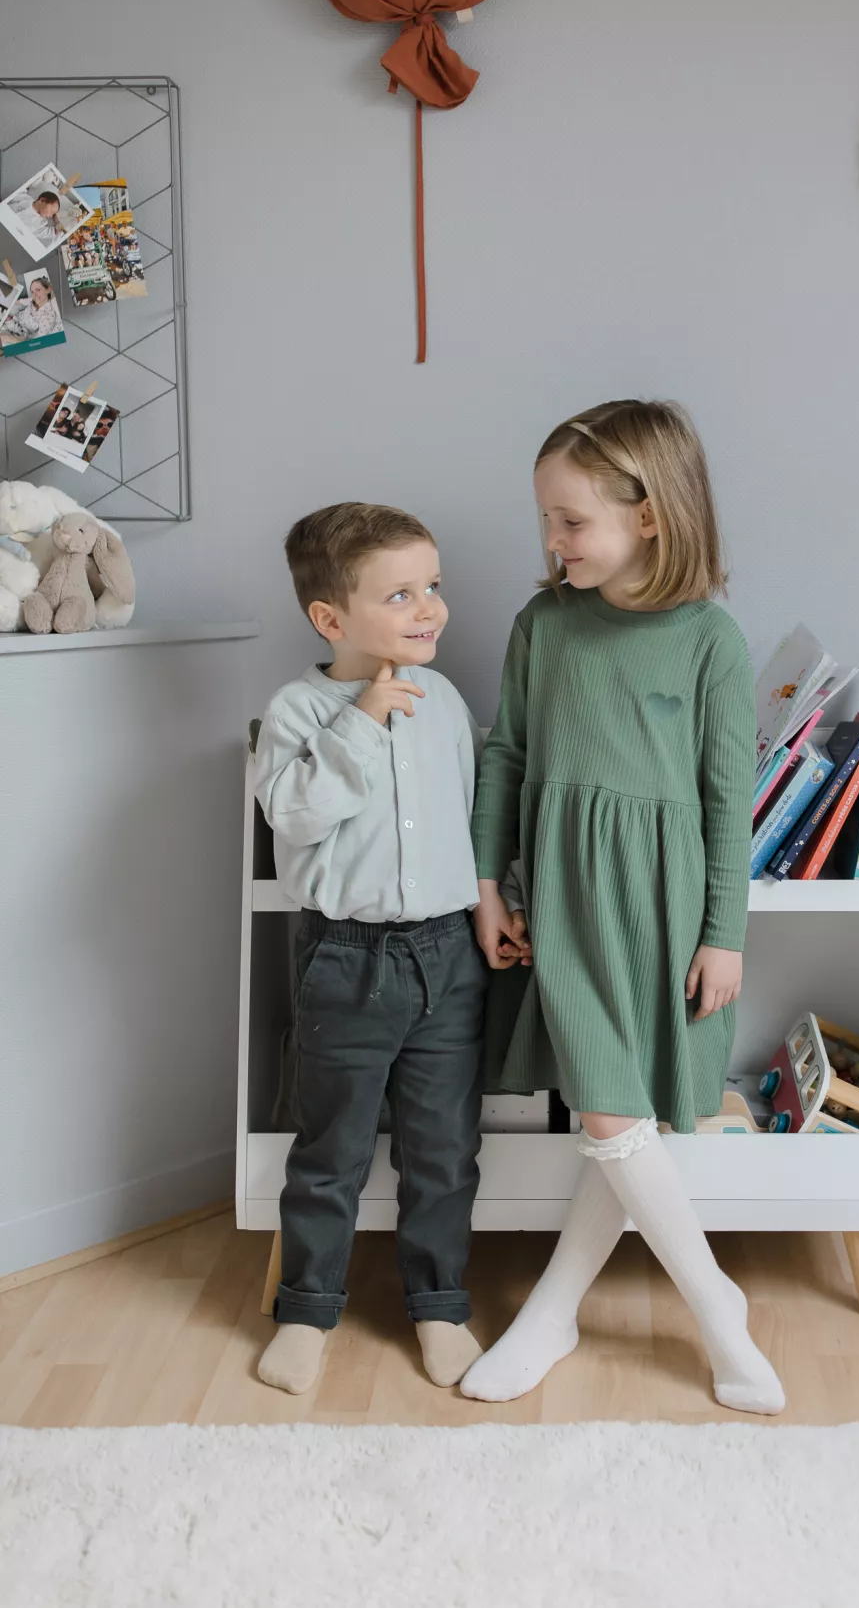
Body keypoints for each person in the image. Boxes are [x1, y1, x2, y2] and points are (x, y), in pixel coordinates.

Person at [462, 399, 786, 1415]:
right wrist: (484, 880)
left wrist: (723, 934)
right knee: (611, 1110)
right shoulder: (542, 625)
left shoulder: (710, 642)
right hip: (561, 893)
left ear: (648, 513)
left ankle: (555, 1312)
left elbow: (727, 799)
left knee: (623, 1117)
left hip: (661, 901)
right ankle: (718, 1313)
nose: (553, 544)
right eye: (546, 522)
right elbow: (507, 753)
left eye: (571, 521)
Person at [253, 502, 506, 1397]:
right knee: (331, 1149)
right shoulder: (297, 711)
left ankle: (439, 1304)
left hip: (447, 958)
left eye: (432, 586)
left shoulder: (445, 703)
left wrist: (488, 905)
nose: (429, 607)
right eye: (400, 593)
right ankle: (306, 1309)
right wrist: (361, 716)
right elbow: (292, 814)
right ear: (331, 619)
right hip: (345, 960)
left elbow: (471, 816)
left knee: (443, 1149)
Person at [6, 185, 66, 253]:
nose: (50, 216)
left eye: (53, 214)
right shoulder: (25, 198)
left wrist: (57, 220)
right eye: (51, 211)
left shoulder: (41, 223)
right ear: (42, 200)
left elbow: (56, 232)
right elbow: (16, 190)